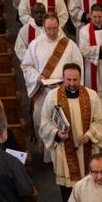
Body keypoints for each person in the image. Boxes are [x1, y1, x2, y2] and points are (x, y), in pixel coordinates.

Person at [39, 63, 102, 202]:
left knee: (89, 186)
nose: (71, 83)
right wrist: (56, 133)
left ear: (80, 78)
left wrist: (89, 134)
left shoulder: (91, 95)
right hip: (64, 150)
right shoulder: (53, 96)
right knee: (68, 191)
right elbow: (44, 122)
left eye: (75, 80)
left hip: (86, 149)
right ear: (63, 78)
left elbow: (100, 120)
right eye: (68, 79)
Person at [21, 13, 81, 149]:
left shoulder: (69, 45)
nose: (52, 32)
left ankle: (66, 149)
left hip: (64, 90)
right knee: (41, 120)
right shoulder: (35, 44)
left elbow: (78, 66)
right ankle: (45, 152)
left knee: (66, 121)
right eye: (49, 28)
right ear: (43, 27)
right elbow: (26, 66)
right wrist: (37, 76)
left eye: (55, 28)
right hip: (43, 91)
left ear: (59, 26)